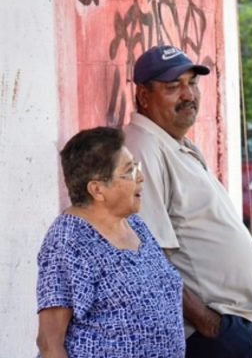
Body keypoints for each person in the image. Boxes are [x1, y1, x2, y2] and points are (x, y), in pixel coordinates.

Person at [124, 45, 252, 358]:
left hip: (221, 328)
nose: (188, 94)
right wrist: (209, 324)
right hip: (203, 333)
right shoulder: (143, 148)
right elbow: (145, 255)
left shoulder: (175, 143)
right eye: (173, 87)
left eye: (192, 83)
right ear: (144, 96)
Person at [36, 127, 184, 358]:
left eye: (137, 167)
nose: (141, 177)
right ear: (97, 189)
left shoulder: (134, 223)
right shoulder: (68, 241)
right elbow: (49, 342)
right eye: (129, 171)